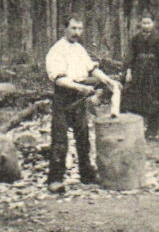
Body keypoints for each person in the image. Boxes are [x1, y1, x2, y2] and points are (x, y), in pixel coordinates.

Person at [44, 16, 118, 193]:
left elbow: (92, 69)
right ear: (65, 29)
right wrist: (81, 88)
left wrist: (108, 81)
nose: (77, 32)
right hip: (64, 96)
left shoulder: (80, 49)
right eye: (73, 28)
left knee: (83, 136)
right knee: (60, 139)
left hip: (80, 94)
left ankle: (87, 174)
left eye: (79, 29)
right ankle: (55, 179)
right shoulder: (56, 50)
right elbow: (59, 79)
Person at [122, 14, 159, 138]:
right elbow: (130, 56)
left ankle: (152, 131)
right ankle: (138, 128)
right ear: (140, 24)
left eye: (148, 23)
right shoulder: (135, 39)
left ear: (153, 24)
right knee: (138, 99)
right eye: (144, 23)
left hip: (153, 74)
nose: (146, 25)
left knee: (153, 99)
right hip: (138, 73)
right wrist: (128, 71)